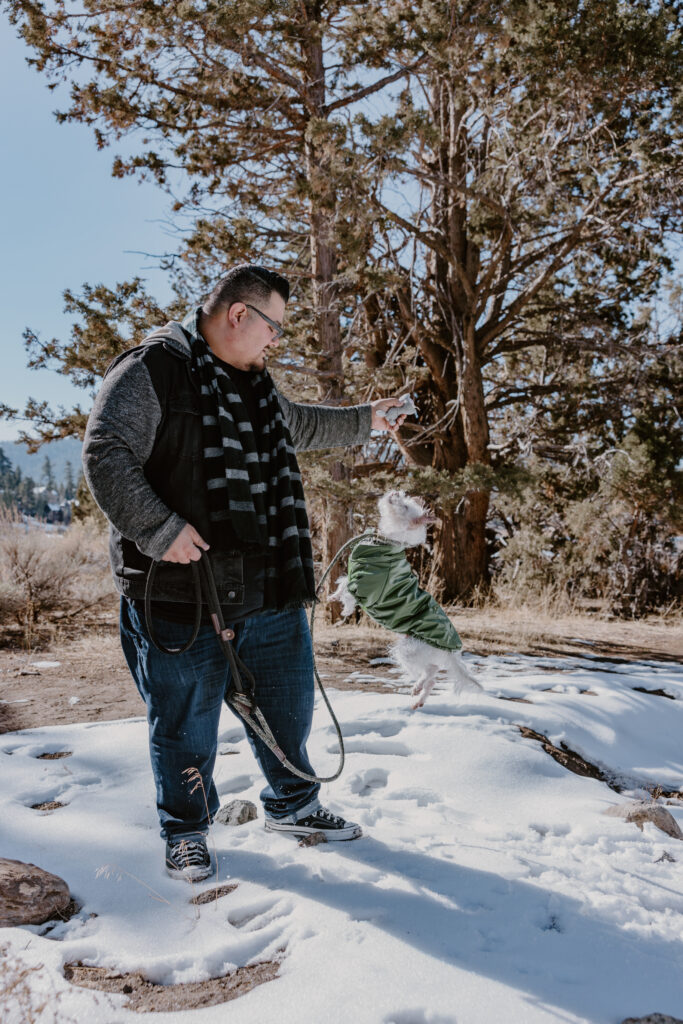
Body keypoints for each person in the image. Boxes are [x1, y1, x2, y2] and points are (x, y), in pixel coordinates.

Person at [82, 264, 407, 881]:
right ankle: (185, 832)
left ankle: (294, 804)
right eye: (273, 327)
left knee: (287, 710)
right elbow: (105, 452)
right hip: (176, 591)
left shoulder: (253, 382)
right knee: (184, 725)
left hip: (266, 585)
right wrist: (160, 529)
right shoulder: (153, 369)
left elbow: (299, 425)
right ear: (238, 315)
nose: (276, 341)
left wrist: (369, 418)